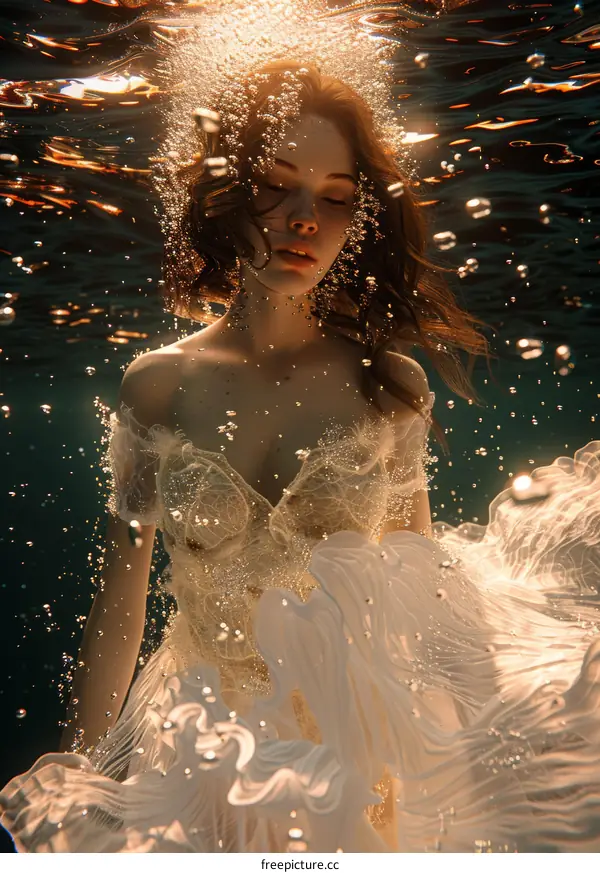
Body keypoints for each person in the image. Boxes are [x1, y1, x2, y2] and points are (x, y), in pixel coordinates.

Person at [2, 19, 600, 856]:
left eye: (334, 196)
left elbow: (427, 595)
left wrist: (475, 772)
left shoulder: (389, 385)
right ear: (226, 193)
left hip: (362, 751)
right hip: (200, 752)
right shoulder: (156, 386)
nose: (303, 219)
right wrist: (83, 786)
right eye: (276, 186)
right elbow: (119, 609)